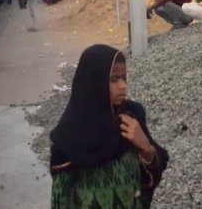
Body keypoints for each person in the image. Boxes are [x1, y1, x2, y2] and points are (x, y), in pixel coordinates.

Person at [50, 45, 168, 208]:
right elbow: (61, 199)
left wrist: (146, 149)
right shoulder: (72, 135)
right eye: (114, 79)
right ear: (93, 81)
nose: (123, 86)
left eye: (124, 77)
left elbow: (153, 171)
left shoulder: (131, 116)